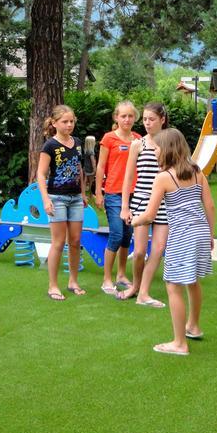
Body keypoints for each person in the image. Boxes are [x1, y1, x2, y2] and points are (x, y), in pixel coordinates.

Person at [130, 128, 215, 356]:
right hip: (200, 233)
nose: (154, 151)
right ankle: (193, 327)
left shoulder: (164, 178)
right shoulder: (197, 172)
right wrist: (211, 235)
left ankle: (179, 343)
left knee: (172, 286)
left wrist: (134, 220)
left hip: (183, 236)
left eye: (156, 148)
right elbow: (210, 207)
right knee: (193, 281)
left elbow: (149, 215)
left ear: (166, 150)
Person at [119, 102, 170, 307]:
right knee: (139, 251)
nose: (147, 123)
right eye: (145, 119)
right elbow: (129, 177)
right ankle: (135, 286)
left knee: (157, 250)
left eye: (152, 119)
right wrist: (125, 206)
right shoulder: (137, 144)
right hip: (141, 201)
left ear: (162, 120)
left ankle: (144, 292)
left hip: (165, 203)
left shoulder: (170, 143)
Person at [37, 104, 87, 301]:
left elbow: (80, 170)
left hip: (75, 199)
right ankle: (53, 285)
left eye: (71, 121)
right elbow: (40, 174)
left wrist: (83, 193)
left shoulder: (78, 143)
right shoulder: (50, 145)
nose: (69, 125)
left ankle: (73, 281)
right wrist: (46, 199)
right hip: (56, 198)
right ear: (55, 123)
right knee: (58, 242)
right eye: (65, 121)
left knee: (75, 241)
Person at [94, 101, 141, 295]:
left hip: (134, 194)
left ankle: (121, 275)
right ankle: (106, 279)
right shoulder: (109, 139)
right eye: (123, 116)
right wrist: (98, 192)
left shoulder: (139, 139)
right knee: (116, 233)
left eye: (130, 116)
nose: (127, 119)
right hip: (113, 193)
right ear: (116, 117)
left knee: (128, 235)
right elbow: (100, 167)